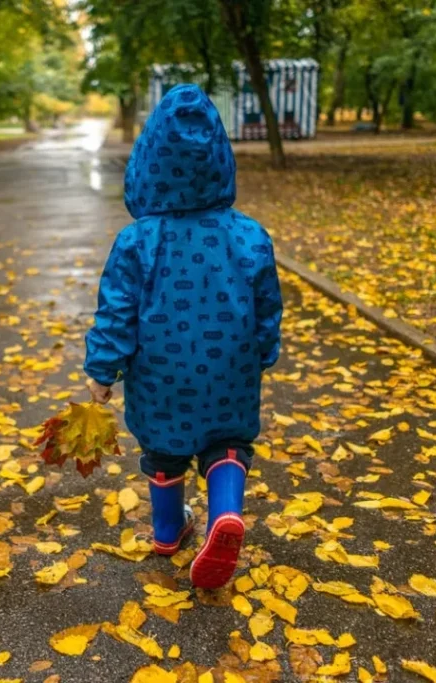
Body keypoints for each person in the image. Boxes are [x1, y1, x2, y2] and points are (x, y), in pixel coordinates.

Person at [83, 83, 284, 589]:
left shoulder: (136, 241)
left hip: (160, 377)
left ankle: (169, 531)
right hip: (229, 370)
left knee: (164, 451)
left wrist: (101, 369)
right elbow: (266, 305)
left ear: (147, 163)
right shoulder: (249, 235)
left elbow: (117, 310)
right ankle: (224, 516)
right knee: (229, 444)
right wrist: (263, 352)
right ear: (220, 159)